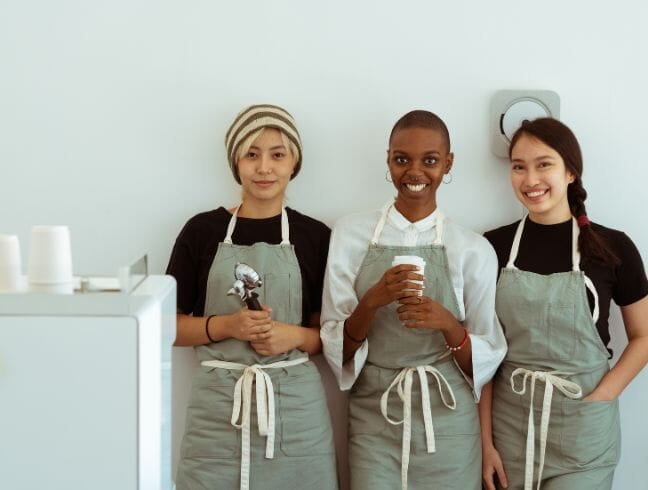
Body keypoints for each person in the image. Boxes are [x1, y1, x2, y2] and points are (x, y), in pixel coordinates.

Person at [320, 110, 507, 490]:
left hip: (450, 421)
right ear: (388, 160)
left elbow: (487, 356)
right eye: (402, 159)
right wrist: (372, 301)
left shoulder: (472, 248)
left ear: (448, 163)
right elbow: (336, 346)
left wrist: (449, 325)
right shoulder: (350, 234)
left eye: (431, 160)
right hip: (375, 418)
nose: (415, 172)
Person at [167, 104, 338, 490]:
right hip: (217, 414)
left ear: (294, 162)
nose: (264, 168)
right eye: (251, 154)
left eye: (278, 154)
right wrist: (227, 326)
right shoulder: (201, 231)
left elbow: (333, 334)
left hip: (295, 413)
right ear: (236, 162)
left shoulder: (315, 237)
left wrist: (291, 336)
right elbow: (168, 327)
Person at [480, 118, 648, 490]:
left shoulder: (613, 247)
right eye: (519, 167)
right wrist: (485, 442)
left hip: (582, 435)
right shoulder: (491, 247)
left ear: (571, 171)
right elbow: (484, 352)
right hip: (509, 431)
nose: (530, 179)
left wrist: (603, 397)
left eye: (544, 164)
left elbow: (644, 336)